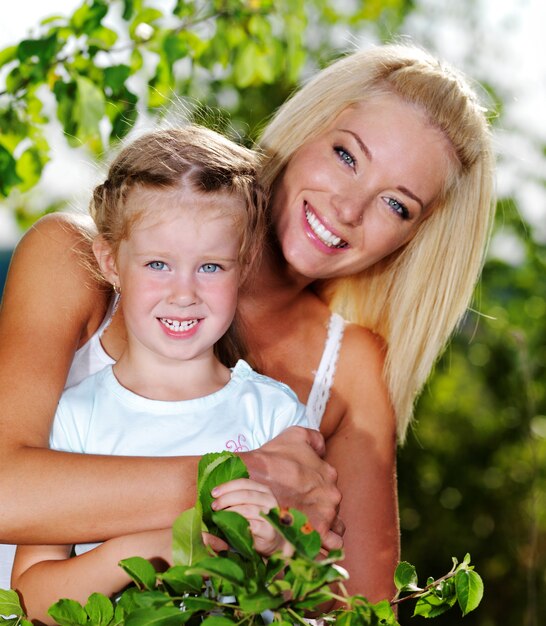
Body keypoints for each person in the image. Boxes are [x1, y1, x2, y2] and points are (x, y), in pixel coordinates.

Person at [0, 43, 495, 604]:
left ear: (414, 239)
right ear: (306, 130)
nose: (349, 208)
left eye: (397, 205)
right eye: (347, 156)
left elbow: (360, 610)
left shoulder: (351, 373)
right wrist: (242, 480)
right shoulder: (77, 259)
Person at [11, 125, 304, 622]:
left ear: (245, 263)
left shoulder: (272, 415)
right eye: (158, 264)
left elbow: (311, 595)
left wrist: (282, 549)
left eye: (210, 267)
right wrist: (155, 549)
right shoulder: (76, 417)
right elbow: (32, 598)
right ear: (110, 262)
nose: (184, 292)